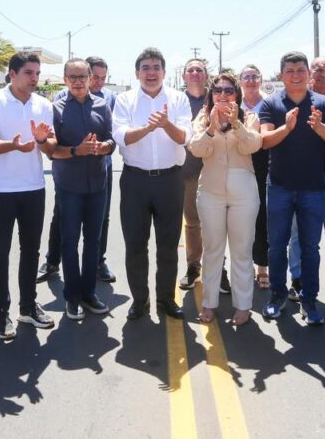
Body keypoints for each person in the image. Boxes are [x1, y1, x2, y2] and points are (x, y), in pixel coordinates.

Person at [259, 51, 325, 326]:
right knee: (277, 246)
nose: (295, 75)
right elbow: (265, 141)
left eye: (300, 70)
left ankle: (309, 300)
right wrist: (287, 128)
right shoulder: (270, 103)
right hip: (280, 186)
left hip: (312, 188)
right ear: (281, 75)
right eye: (289, 71)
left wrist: (318, 125)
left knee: (310, 246)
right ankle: (277, 295)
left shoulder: (323, 102)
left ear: (308, 73)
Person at [0, 52, 57, 340]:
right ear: (12, 74)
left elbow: (51, 144)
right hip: (0, 192)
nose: (35, 78)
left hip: (33, 188)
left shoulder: (44, 104)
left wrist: (41, 140)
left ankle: (27, 307)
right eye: (29, 73)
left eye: (37, 73)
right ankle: (1, 313)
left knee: (31, 251)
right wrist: (13, 145)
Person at [112, 48, 193, 320]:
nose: (151, 72)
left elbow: (184, 138)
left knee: (168, 245)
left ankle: (166, 299)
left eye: (156, 67)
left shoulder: (178, 99)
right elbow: (121, 136)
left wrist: (165, 123)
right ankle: (140, 300)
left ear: (164, 72)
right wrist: (148, 128)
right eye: (145, 67)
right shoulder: (124, 100)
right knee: (135, 244)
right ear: (137, 72)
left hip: (170, 180)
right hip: (135, 181)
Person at [187, 73, 262, 326]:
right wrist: (211, 126)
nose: (222, 95)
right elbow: (197, 149)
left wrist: (235, 123)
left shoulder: (249, 116)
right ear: (211, 94)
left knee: (241, 251)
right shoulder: (202, 117)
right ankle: (209, 303)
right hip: (210, 190)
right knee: (212, 250)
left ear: (237, 94)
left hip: (243, 192)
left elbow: (252, 145)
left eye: (228, 91)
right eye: (217, 90)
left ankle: (243, 306)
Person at [38, 56, 118, 283]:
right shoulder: (57, 107)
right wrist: (75, 150)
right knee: (68, 233)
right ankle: (64, 280)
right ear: (65, 79)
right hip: (69, 182)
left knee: (96, 230)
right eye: (73, 77)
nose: (79, 81)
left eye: (83, 77)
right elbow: (51, 149)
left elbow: (113, 139)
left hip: (99, 177)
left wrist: (105, 147)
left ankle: (92, 280)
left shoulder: (105, 103)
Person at [286, 56, 325, 304]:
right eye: (318, 70)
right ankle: (297, 279)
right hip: (302, 176)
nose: (323, 74)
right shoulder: (301, 97)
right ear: (311, 73)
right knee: (298, 233)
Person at [178, 60, 229, 294]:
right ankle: (193, 266)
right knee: (193, 223)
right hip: (188, 170)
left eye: (199, 69)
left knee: (219, 223)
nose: (195, 73)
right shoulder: (177, 101)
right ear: (184, 76)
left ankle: (220, 270)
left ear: (206, 75)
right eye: (191, 70)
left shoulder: (217, 97)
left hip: (216, 170)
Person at [239, 64, 270, 289]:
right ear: (240, 81)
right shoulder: (232, 103)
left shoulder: (270, 102)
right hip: (239, 165)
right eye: (246, 77)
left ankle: (262, 267)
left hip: (265, 166)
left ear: (260, 79)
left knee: (263, 218)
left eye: (254, 76)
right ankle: (244, 265)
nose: (250, 80)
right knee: (241, 219)